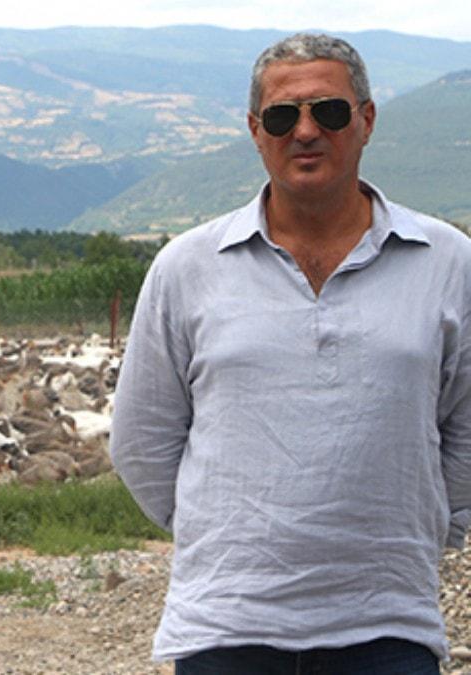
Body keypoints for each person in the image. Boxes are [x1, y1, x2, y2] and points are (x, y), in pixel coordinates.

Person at [110, 33, 471, 673]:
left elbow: (466, 429)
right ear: (255, 131)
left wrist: (425, 530)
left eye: (328, 111)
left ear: (366, 120)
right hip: (226, 628)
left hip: (388, 628)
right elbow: (143, 438)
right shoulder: (186, 267)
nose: (305, 131)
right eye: (282, 116)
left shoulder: (447, 262)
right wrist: (222, 536)